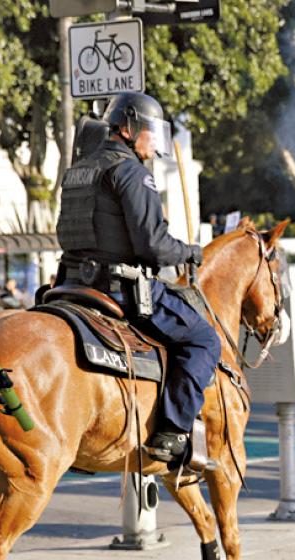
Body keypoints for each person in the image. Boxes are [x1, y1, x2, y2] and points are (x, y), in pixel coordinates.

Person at [55, 91, 219, 465]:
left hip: (72, 285)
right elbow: (154, 247)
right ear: (128, 128)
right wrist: (190, 252)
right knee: (203, 339)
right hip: (119, 288)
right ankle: (173, 432)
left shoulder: (77, 170)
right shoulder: (130, 171)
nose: (154, 143)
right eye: (151, 132)